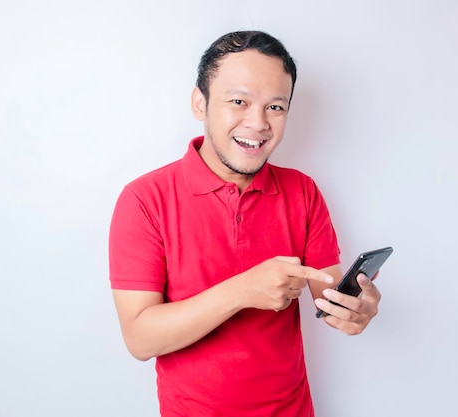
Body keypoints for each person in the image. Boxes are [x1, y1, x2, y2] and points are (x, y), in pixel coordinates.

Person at [109, 30, 382, 417]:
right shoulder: (144, 199)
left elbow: (329, 296)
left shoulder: (302, 191)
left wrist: (355, 310)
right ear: (200, 103)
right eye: (239, 101)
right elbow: (139, 338)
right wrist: (242, 291)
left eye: (276, 107)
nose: (258, 123)